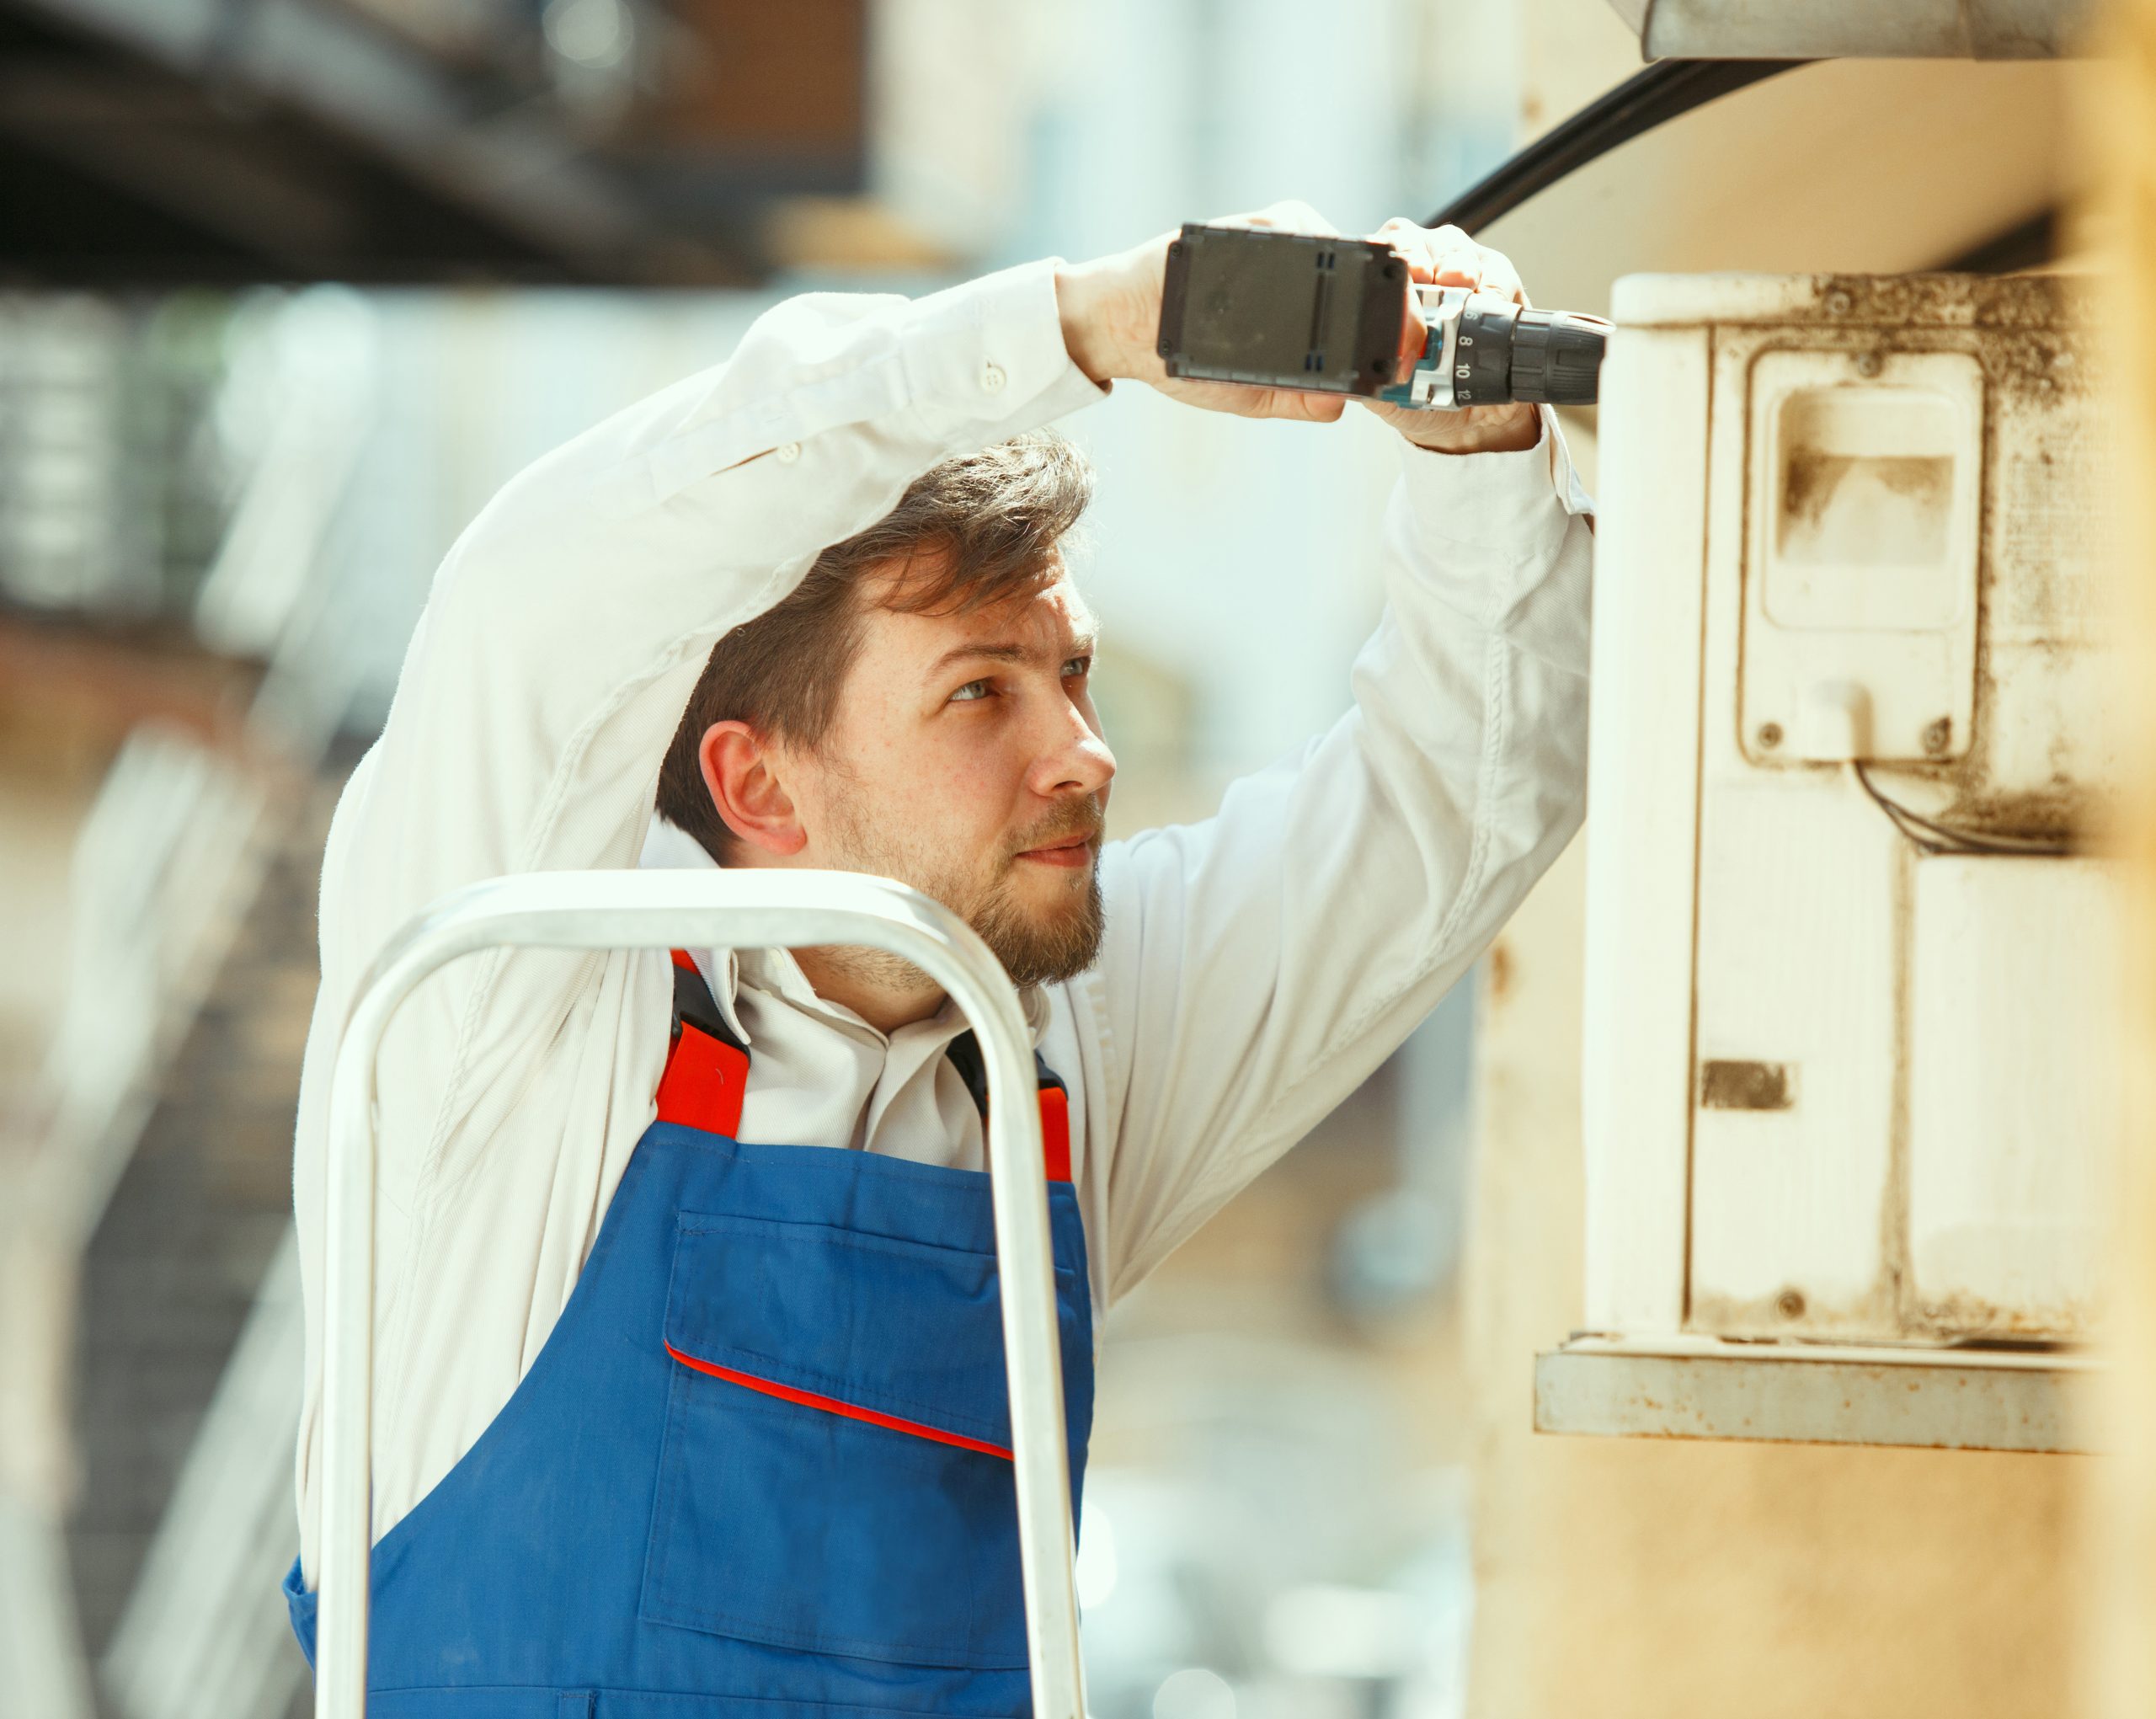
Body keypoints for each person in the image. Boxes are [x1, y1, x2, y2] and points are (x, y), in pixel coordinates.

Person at [282, 206, 1593, 1711]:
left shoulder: (1058, 1057)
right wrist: (1077, 330)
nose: (1086, 754)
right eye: (982, 694)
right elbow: (540, 588)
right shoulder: (510, 1016)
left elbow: (1453, 806)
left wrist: (1481, 455)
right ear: (758, 783)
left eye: (1074, 673)